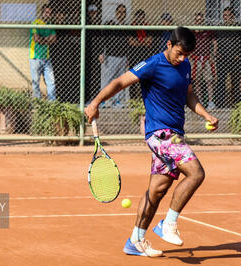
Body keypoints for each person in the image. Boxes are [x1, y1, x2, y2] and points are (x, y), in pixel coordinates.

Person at [84, 27, 219, 257]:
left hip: (174, 133)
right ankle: (169, 223)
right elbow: (119, 82)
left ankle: (135, 239)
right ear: (169, 45)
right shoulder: (153, 64)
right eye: (179, 52)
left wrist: (206, 115)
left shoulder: (184, 66)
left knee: (157, 190)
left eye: (186, 54)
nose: (183, 58)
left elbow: (189, 94)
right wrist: (95, 102)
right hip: (160, 134)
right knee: (196, 173)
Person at [99, 4, 130, 107]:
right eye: (119, 12)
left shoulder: (126, 27)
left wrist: (127, 58)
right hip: (111, 56)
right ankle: (102, 100)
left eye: (123, 12)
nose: (121, 14)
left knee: (120, 81)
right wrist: (101, 53)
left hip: (122, 57)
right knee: (108, 80)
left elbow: (127, 44)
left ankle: (118, 101)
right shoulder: (110, 24)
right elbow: (103, 40)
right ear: (116, 13)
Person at [215, 7, 241, 107]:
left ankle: (236, 103)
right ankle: (219, 104)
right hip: (222, 58)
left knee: (235, 81)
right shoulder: (220, 27)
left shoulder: (238, 28)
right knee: (221, 81)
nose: (226, 17)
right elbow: (216, 42)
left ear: (232, 15)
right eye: (224, 15)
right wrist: (216, 53)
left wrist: (238, 55)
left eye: (228, 15)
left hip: (234, 58)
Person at [29, 4, 57, 101]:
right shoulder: (35, 23)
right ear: (42, 13)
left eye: (50, 13)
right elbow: (37, 39)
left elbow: (54, 40)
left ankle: (52, 104)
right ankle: (37, 104)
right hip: (35, 57)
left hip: (46, 57)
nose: (48, 14)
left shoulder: (50, 24)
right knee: (36, 82)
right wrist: (47, 40)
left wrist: (43, 40)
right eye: (46, 12)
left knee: (51, 82)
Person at [192, 13, 217, 109]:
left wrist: (213, 54)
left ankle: (211, 102)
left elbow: (214, 42)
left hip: (207, 58)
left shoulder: (208, 31)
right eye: (198, 20)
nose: (199, 22)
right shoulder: (193, 32)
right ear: (195, 22)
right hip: (196, 59)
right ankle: (200, 101)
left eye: (201, 20)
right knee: (197, 81)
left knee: (209, 81)